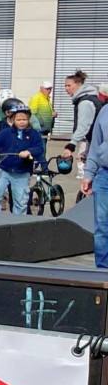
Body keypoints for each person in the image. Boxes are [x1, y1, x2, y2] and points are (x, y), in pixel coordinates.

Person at [0, 99, 43, 213]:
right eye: (18, 120)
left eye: (24, 119)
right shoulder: (6, 133)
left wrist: (29, 151)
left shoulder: (34, 134)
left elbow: (39, 148)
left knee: (21, 201)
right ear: (12, 120)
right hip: (4, 169)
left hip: (22, 171)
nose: (22, 122)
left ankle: (18, 220)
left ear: (29, 119)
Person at [80, 79, 108, 268]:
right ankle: (102, 271)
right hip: (104, 176)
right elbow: (96, 145)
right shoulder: (105, 111)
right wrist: (89, 173)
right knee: (102, 226)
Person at [67, 71, 100, 161]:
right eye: (65, 86)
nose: (66, 88)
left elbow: (84, 126)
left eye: (69, 85)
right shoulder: (88, 98)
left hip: (97, 143)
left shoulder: (85, 103)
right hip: (94, 142)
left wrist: (71, 144)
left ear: (78, 84)